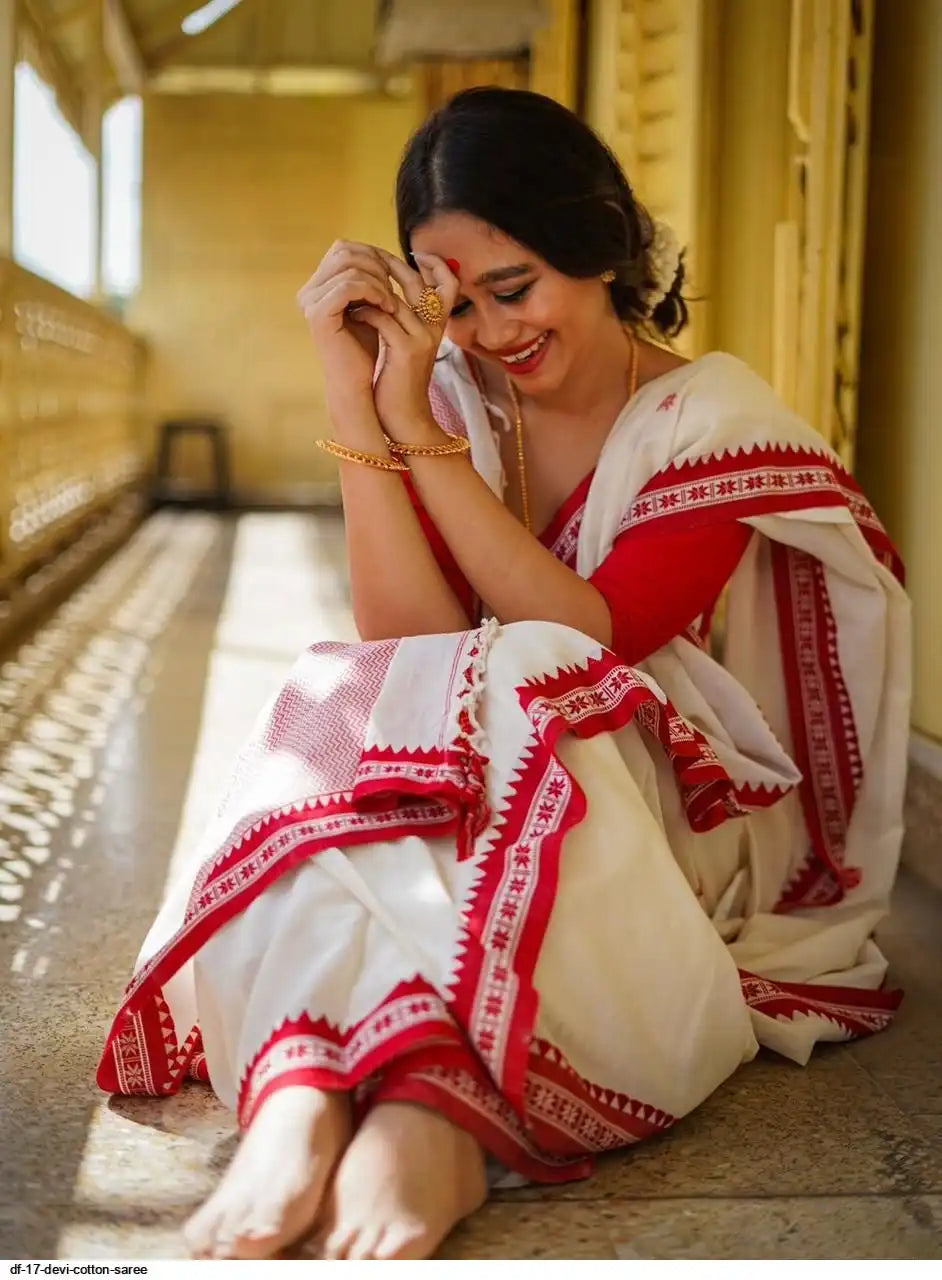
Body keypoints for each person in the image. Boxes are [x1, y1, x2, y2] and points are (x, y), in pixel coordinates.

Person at [97, 87, 911, 1261]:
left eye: (514, 285)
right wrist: (355, 393)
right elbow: (404, 641)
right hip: (485, 758)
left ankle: (426, 1118)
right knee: (343, 690)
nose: (487, 332)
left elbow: (591, 637)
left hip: (669, 803)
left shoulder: (713, 419)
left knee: (524, 662)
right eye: (454, 302)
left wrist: (420, 442)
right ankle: (304, 1093)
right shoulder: (453, 396)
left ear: (598, 244)